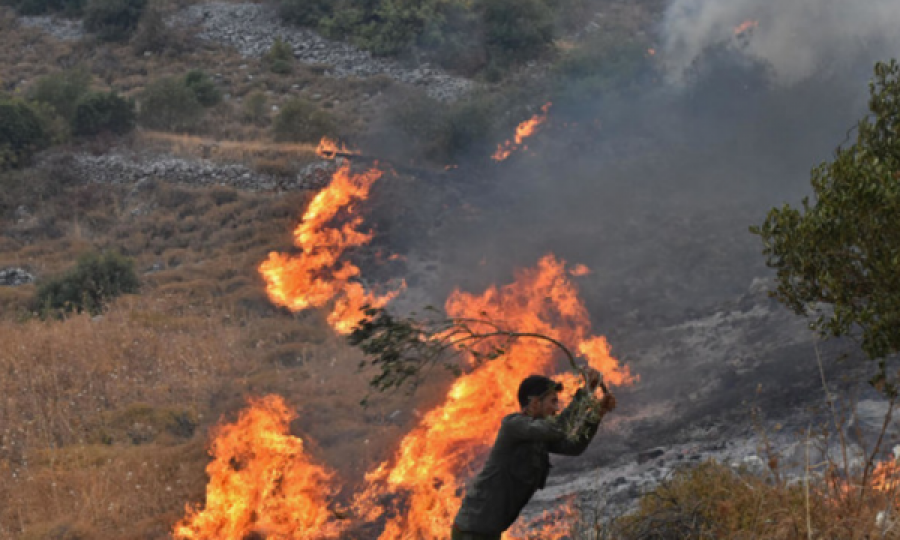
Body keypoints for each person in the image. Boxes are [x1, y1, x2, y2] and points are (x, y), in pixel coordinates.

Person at [451, 368, 616, 540]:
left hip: (487, 532)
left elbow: (574, 447)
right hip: (471, 531)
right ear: (535, 403)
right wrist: (586, 393)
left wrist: (598, 413)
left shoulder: (539, 434)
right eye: (553, 402)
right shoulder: (513, 425)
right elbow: (559, 428)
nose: (556, 409)